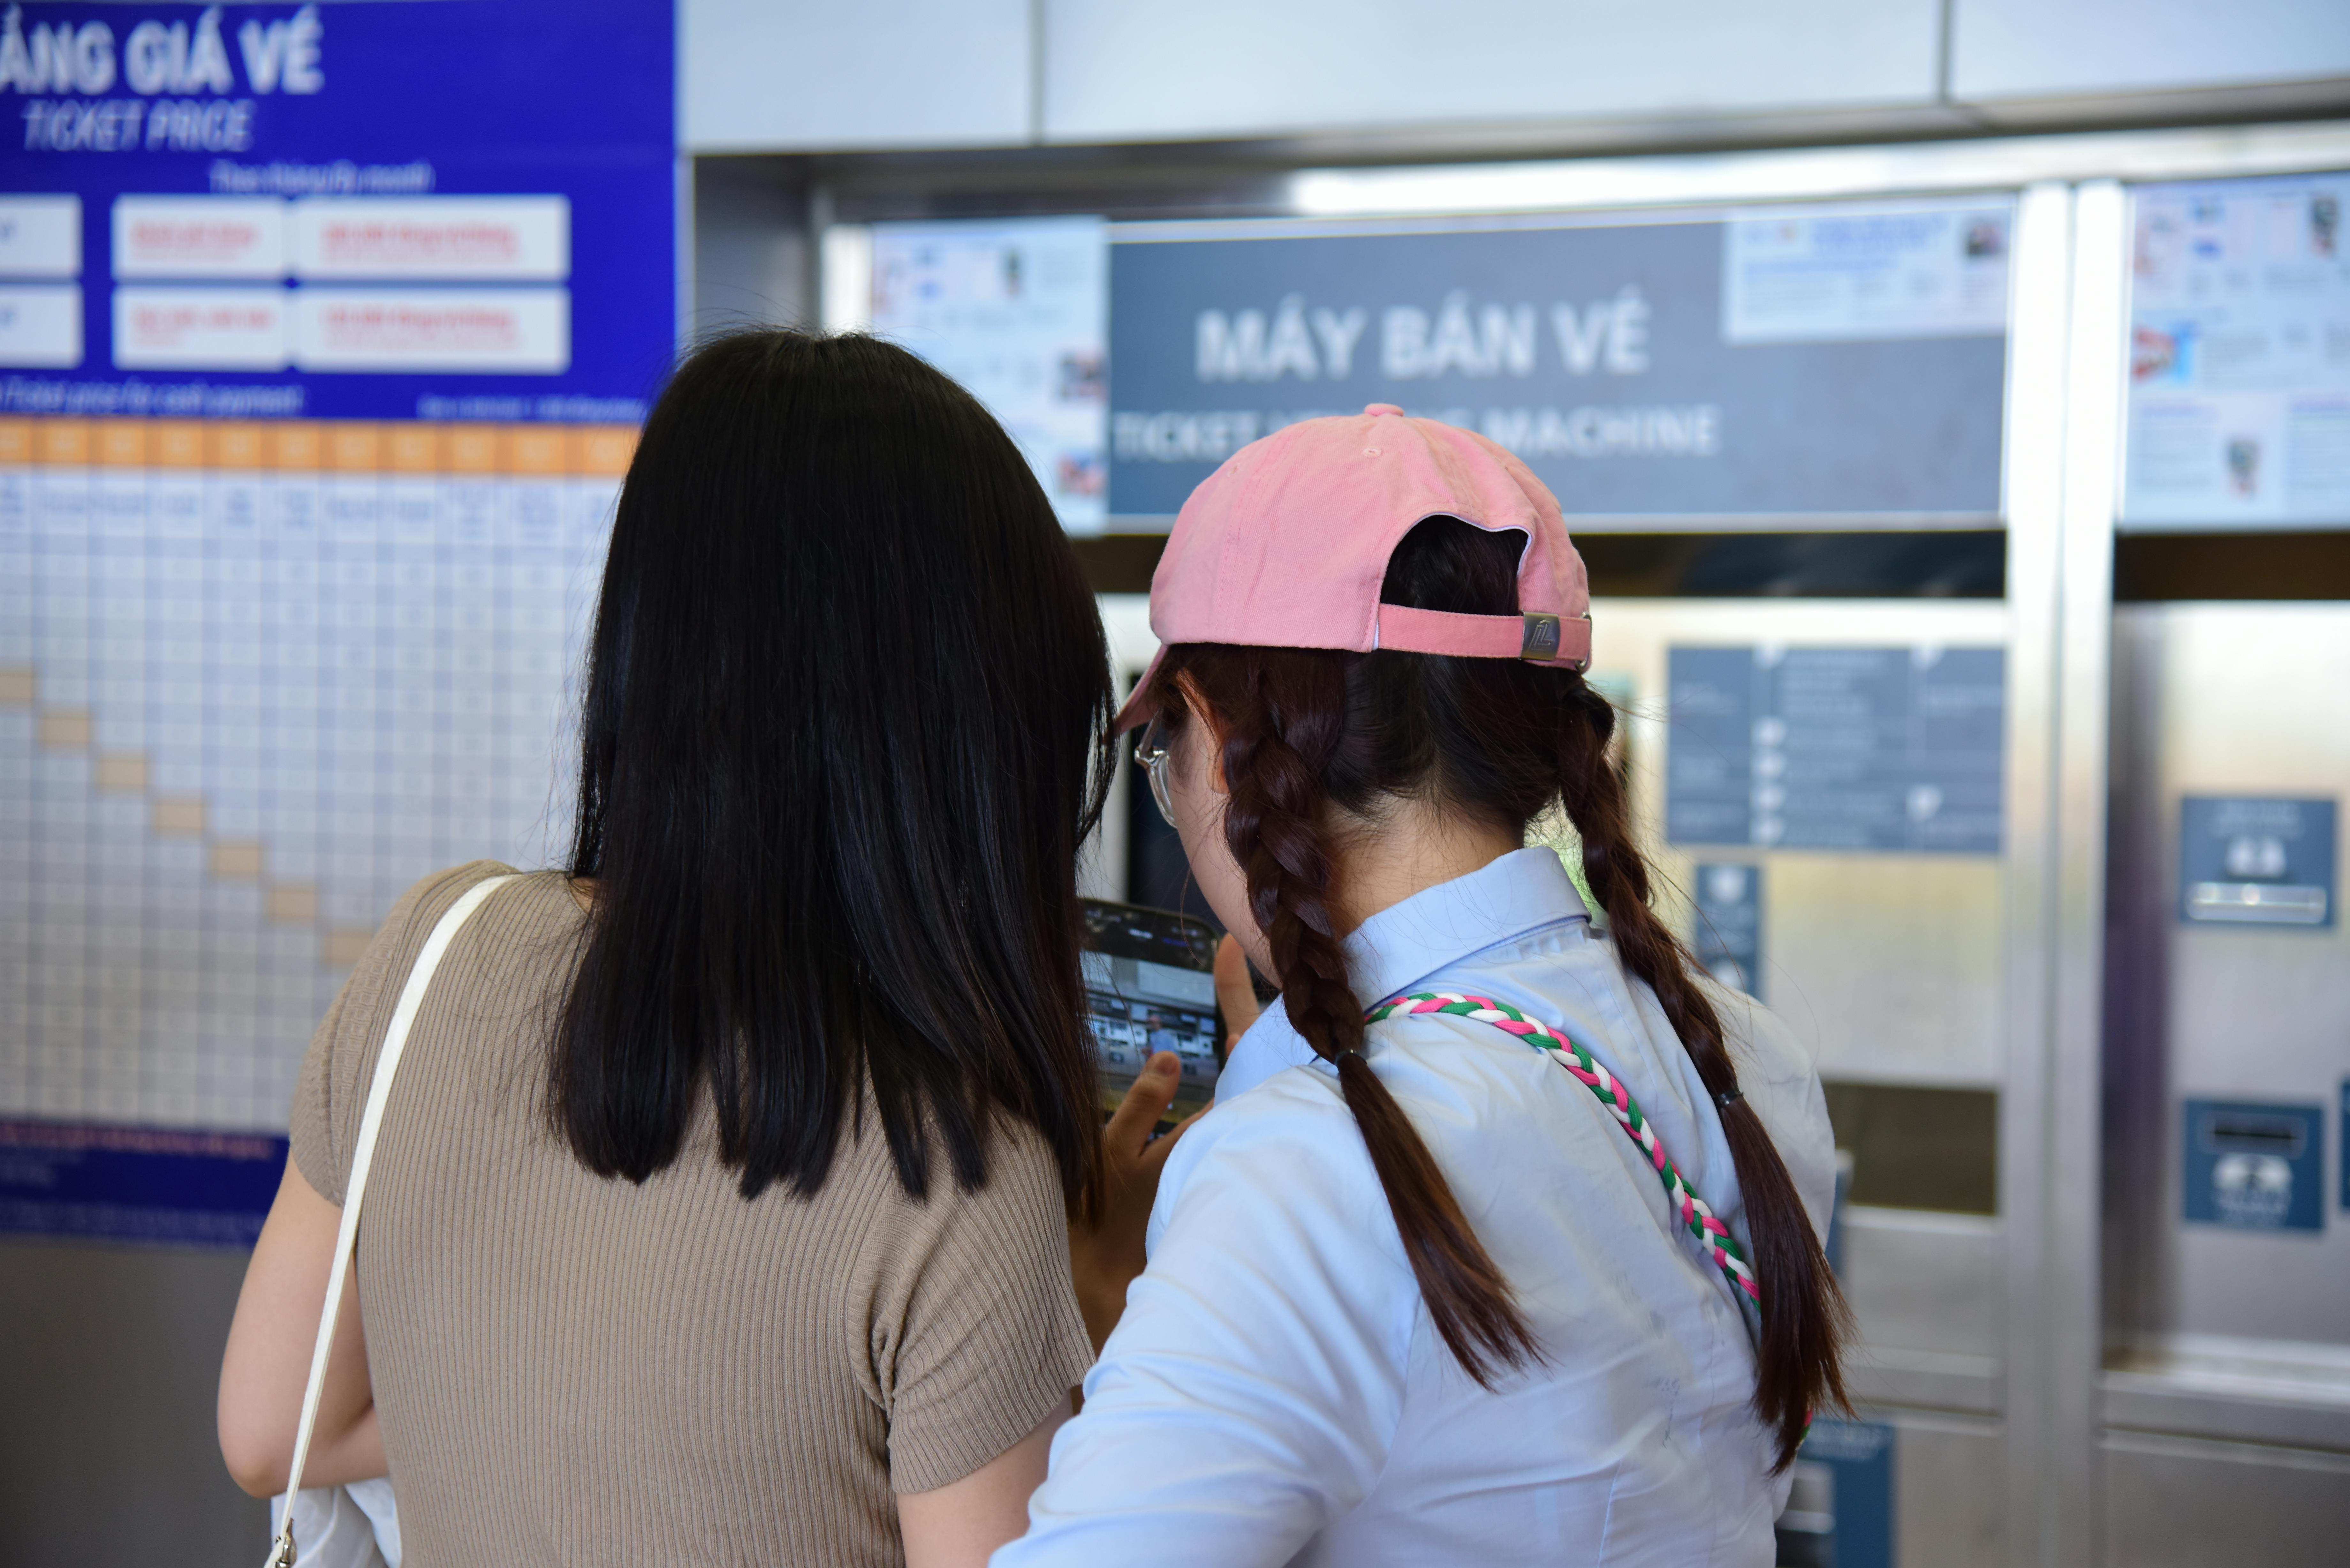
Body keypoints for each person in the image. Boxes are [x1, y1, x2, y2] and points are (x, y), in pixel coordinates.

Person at [219, 331, 1119, 1567]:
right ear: (965, 738)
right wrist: (1088, 1309)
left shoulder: (438, 948)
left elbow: (271, 1434)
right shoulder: (959, 1170)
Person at [998, 405, 1850, 1565]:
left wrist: (1108, 1315)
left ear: (1218, 731)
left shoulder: (1304, 1171)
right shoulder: (1744, 1062)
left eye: (1163, 758)